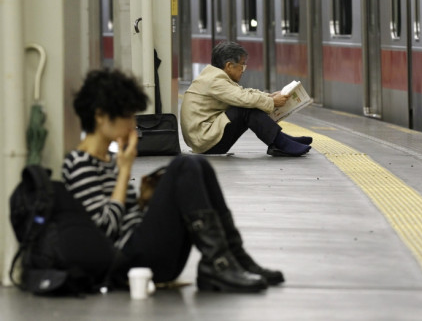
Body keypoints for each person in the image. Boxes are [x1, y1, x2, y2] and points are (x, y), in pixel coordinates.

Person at [62, 68, 284, 292]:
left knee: (199, 165)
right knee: (183, 166)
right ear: (100, 116)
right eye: (126, 115)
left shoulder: (111, 159)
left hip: (148, 257)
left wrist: (147, 200)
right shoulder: (80, 163)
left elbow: (125, 217)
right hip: (125, 264)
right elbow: (105, 230)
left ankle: (234, 258)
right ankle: (218, 265)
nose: (131, 124)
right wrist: (124, 173)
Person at [180, 41, 312, 156]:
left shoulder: (214, 76)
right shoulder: (215, 80)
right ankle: (280, 142)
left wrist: (269, 96)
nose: (243, 70)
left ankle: (282, 139)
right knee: (246, 108)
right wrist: (272, 102)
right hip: (206, 141)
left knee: (249, 103)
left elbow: (241, 92)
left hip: (205, 138)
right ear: (229, 66)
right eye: (242, 65)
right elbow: (242, 98)